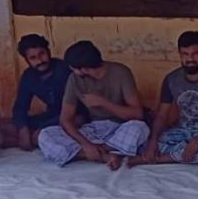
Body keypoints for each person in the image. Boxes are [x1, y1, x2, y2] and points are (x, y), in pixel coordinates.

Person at [37, 40, 149, 170]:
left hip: (120, 128)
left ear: (84, 68)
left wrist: (104, 103)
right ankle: (105, 156)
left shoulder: (121, 72)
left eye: (74, 68)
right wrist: (86, 144)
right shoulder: (74, 79)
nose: (73, 71)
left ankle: (98, 151)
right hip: (94, 129)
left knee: (140, 128)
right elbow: (65, 119)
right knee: (46, 135)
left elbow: (137, 114)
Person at [131, 31, 198, 167]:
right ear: (180, 54)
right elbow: (162, 115)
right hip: (183, 131)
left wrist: (197, 140)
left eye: (195, 54)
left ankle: (157, 159)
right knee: (146, 144)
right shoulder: (171, 79)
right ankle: (196, 156)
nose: (190, 59)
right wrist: (153, 141)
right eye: (185, 54)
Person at [5, 34, 85, 151]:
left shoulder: (65, 69)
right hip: (51, 115)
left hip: (74, 116)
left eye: (42, 54)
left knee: (40, 134)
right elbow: (20, 106)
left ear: (48, 51)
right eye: (33, 58)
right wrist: (23, 128)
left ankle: (36, 140)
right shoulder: (28, 76)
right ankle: (33, 139)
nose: (39, 60)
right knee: (4, 127)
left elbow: (77, 108)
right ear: (27, 60)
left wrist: (43, 128)